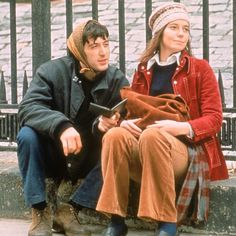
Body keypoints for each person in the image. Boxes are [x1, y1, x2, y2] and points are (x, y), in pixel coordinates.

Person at [96, 2, 229, 236]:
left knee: (154, 134)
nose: (181, 34)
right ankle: (116, 220)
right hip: (147, 146)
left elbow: (215, 119)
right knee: (115, 135)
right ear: (159, 33)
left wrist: (180, 127)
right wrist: (124, 122)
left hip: (184, 152)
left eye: (185, 29)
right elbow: (136, 112)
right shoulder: (143, 69)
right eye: (174, 27)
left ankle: (166, 223)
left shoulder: (200, 69)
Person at [17, 19, 129, 236]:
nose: (103, 52)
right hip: (54, 152)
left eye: (105, 44)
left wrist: (105, 125)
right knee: (26, 135)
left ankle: (69, 210)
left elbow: (128, 117)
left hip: (87, 155)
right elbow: (28, 108)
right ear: (78, 50)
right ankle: (40, 211)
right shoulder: (50, 72)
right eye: (94, 46)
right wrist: (61, 126)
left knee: (117, 141)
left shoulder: (116, 79)